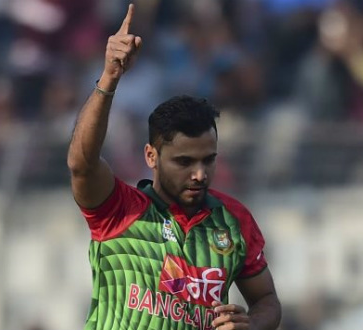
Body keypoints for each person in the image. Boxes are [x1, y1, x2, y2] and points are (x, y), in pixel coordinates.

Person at [67, 4, 281, 330]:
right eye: (184, 162)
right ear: (151, 156)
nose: (200, 174)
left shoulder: (233, 220)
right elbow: (82, 164)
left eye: (208, 159)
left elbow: (266, 300)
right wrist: (110, 75)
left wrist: (251, 325)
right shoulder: (118, 211)